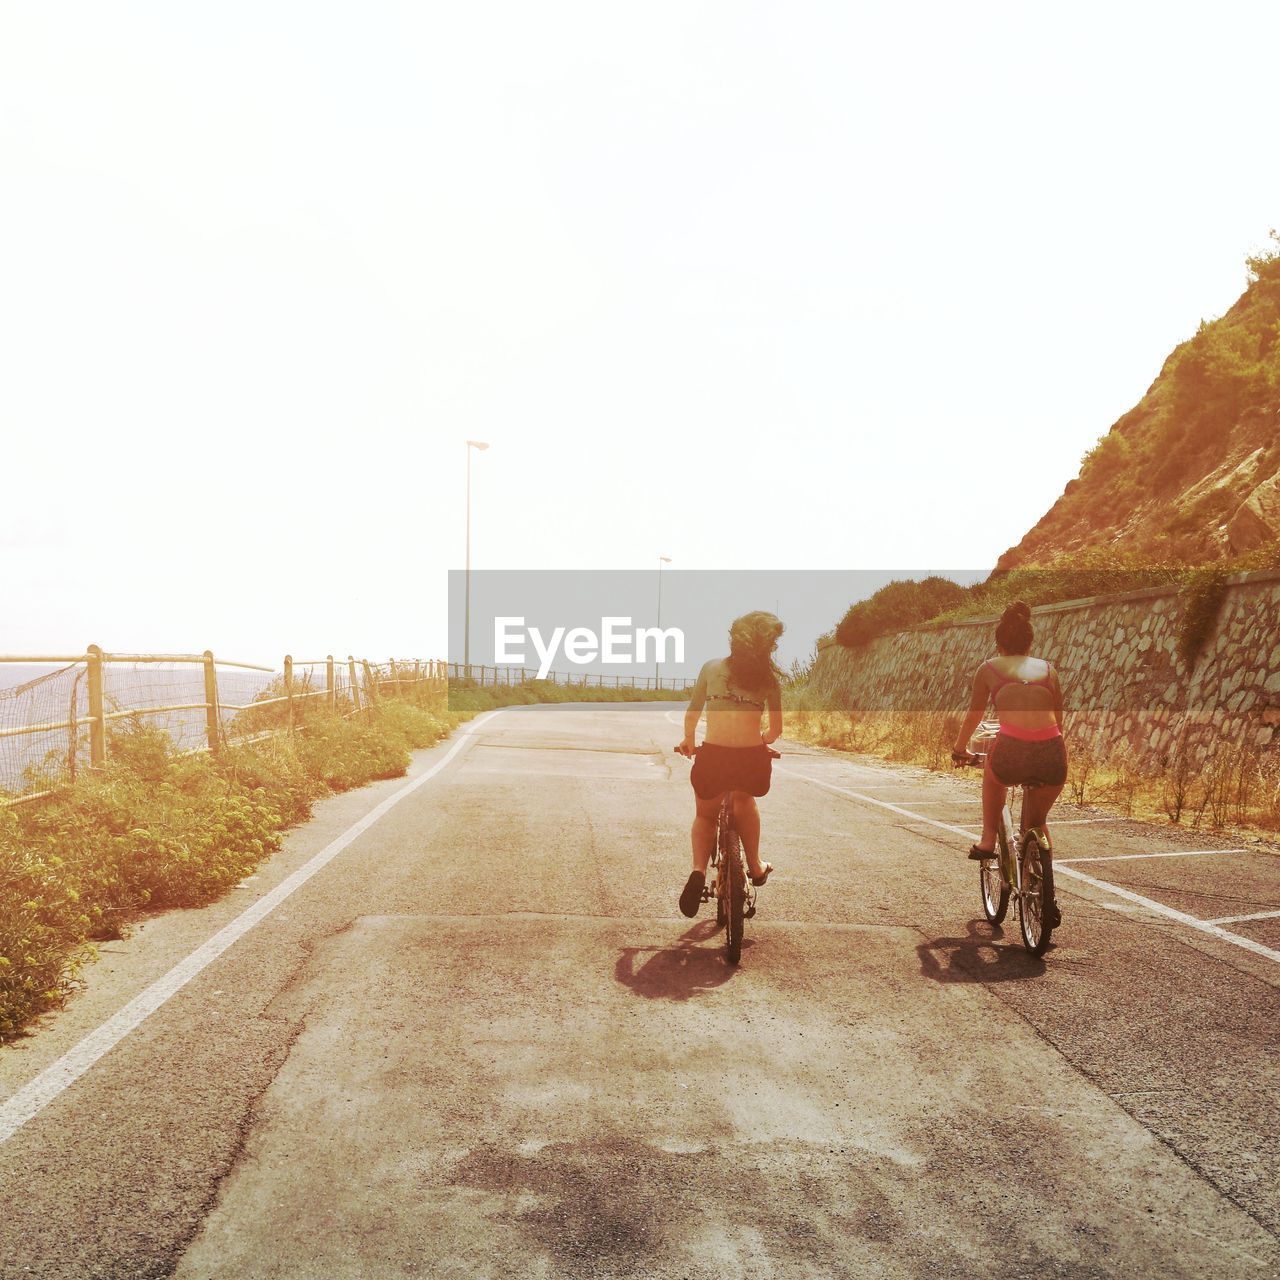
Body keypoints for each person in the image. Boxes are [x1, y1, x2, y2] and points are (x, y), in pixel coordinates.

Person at [951, 601, 1066, 920]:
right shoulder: (1048, 670)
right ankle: (1047, 900)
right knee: (1037, 823)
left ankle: (988, 840)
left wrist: (960, 749)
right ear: (1030, 643)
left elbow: (975, 713)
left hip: (1011, 752)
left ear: (999, 644)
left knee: (993, 769)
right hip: (1053, 755)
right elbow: (1058, 719)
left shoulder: (988, 669)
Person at [674, 611, 784, 917]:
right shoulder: (769, 681)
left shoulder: (711, 668)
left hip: (714, 757)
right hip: (750, 760)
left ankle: (698, 870)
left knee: (706, 816)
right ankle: (755, 865)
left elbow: (692, 713)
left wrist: (689, 742)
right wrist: (759, 741)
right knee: (744, 801)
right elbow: (775, 732)